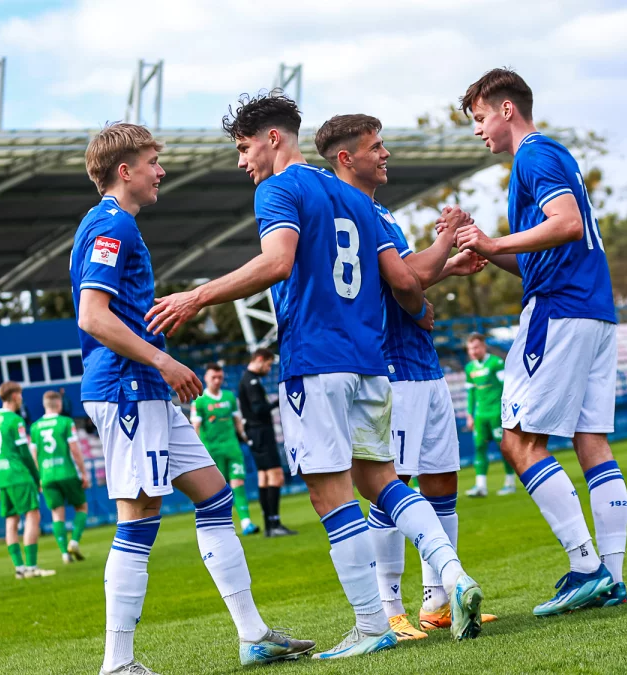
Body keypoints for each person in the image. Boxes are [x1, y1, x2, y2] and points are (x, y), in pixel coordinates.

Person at [146, 94, 483, 658]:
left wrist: (196, 296)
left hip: (315, 361)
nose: (242, 161)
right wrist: (440, 268)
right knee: (382, 482)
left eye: (244, 147)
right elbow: (402, 280)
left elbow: (277, 262)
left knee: (331, 497)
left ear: (273, 138)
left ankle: (371, 625)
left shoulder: (279, 188)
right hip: (371, 363)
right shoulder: (354, 196)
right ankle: (454, 574)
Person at [71, 122, 313, 674]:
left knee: (216, 496)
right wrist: (162, 360)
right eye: (152, 162)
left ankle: (253, 635)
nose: (161, 171)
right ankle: (118, 664)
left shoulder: (112, 224)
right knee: (139, 515)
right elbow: (92, 316)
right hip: (127, 389)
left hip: (144, 388)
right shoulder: (112, 225)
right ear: (124, 171)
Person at [455, 68, 627, 613]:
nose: (478, 130)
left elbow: (567, 222)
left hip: (559, 310)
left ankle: (586, 567)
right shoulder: (551, 156)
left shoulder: (533, 155)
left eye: (480, 117)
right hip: (594, 310)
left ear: (506, 110)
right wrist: (490, 253)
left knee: (518, 443)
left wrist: (492, 240)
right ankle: (612, 576)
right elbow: (547, 248)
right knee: (591, 440)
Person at [315, 113, 494, 640]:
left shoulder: (380, 211)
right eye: (375, 146)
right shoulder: (350, 210)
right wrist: (448, 238)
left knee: (442, 479)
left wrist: (445, 265)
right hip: (390, 367)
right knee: (391, 486)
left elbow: (409, 276)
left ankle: (437, 601)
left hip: (423, 365)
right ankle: (390, 606)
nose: (385, 153)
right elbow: (405, 282)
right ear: (346, 158)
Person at [0, 382, 55, 579]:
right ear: (15, 396)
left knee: (11, 520)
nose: (22, 398)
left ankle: (19, 568)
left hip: (1, 476)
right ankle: (32, 567)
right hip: (18, 474)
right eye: (20, 394)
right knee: (33, 515)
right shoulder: (15, 420)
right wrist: (37, 477)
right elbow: (25, 453)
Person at [192, 364, 258, 536]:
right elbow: (195, 426)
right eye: (213, 377)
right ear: (206, 378)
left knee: (238, 483)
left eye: (220, 377)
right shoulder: (200, 400)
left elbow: (238, 422)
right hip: (212, 451)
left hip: (232, 448)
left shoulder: (229, 397)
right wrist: (196, 450)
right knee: (217, 491)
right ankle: (221, 528)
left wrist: (246, 438)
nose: (217, 381)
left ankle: (246, 523)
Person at [236, 349, 296, 537]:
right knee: (276, 476)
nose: (269, 369)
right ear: (260, 359)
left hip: (255, 434)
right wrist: (278, 401)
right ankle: (274, 523)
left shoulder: (247, 379)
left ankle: (269, 525)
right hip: (261, 432)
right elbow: (259, 409)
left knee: (264, 477)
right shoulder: (251, 381)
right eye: (268, 365)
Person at [31, 390, 90, 565]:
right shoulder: (66, 422)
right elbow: (75, 450)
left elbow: (34, 456)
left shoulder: (35, 427)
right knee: (81, 507)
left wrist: (38, 477)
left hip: (47, 476)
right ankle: (74, 542)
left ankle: (64, 554)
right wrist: (83, 472)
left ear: (44, 405)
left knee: (57, 514)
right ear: (59, 404)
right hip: (67, 472)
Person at [463, 333, 515, 497]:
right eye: (470, 349)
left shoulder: (496, 363)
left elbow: (506, 386)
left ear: (483, 346)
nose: (473, 351)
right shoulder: (469, 368)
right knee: (479, 447)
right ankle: (481, 486)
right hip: (480, 415)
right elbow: (471, 394)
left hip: (496, 413)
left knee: (504, 448)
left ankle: (510, 483)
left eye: (476, 347)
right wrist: (470, 415)